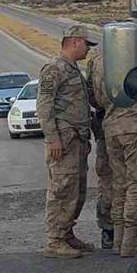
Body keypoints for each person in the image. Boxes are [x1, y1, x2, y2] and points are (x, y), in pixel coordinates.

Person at [88, 19, 137, 257]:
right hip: (135, 126)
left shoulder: (98, 61)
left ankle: (118, 238)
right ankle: (130, 242)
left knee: (119, 184)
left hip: (111, 127)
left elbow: (94, 97)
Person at [36, 24, 96, 259]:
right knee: (62, 190)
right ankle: (55, 240)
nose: (88, 49)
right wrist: (53, 139)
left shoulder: (73, 69)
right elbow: (44, 106)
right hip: (63, 141)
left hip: (77, 141)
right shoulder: (55, 68)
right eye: (86, 44)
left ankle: (67, 233)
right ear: (74, 42)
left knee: (76, 191)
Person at [83, 36, 114, 251]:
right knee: (130, 180)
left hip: (105, 124)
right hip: (127, 125)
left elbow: (90, 94)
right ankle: (122, 230)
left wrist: (104, 106)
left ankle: (109, 231)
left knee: (107, 180)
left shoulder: (95, 60)